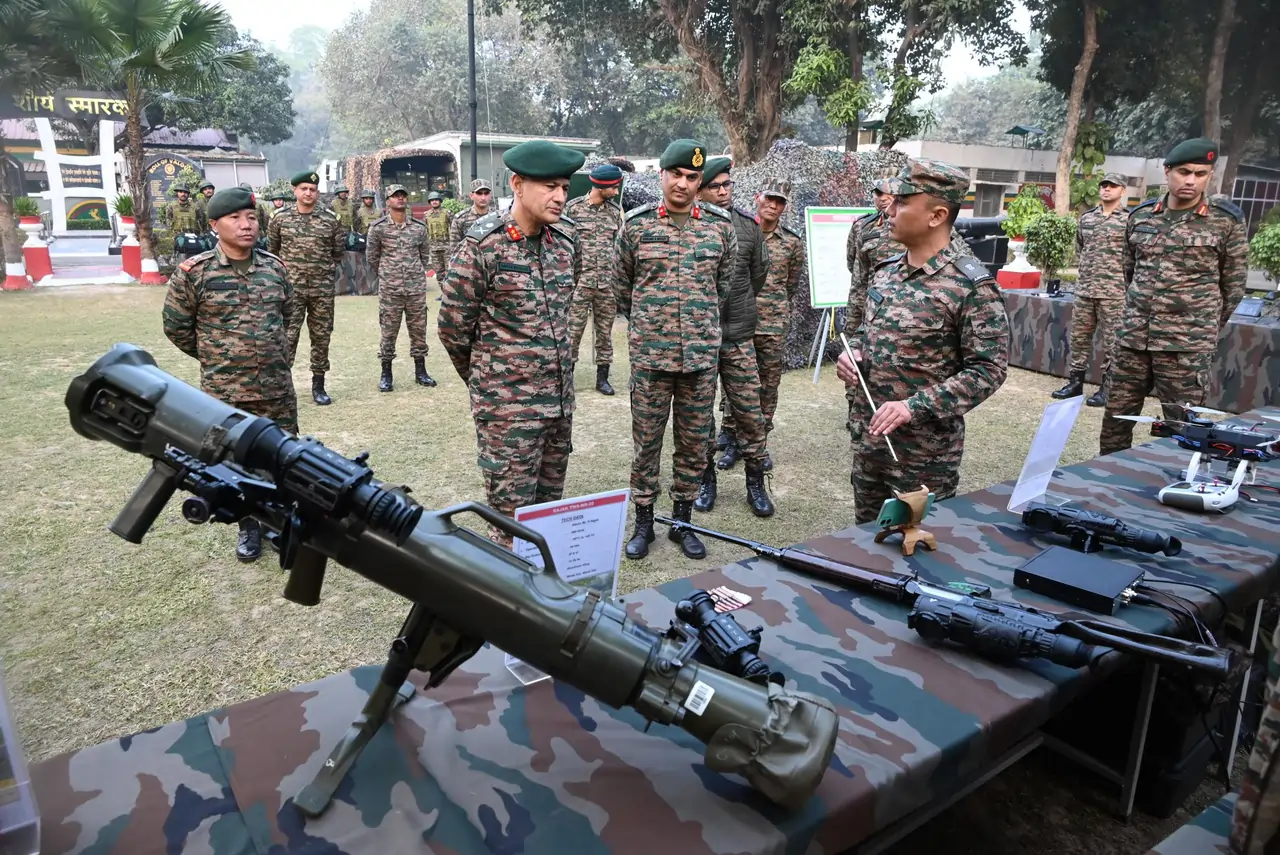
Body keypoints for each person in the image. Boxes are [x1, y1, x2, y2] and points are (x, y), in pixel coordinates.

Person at [836, 158, 1010, 524]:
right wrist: (856, 353)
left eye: (901, 202)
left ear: (936, 215)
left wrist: (914, 406)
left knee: (916, 553)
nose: (889, 211)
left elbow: (988, 369)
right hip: (870, 441)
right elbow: (867, 334)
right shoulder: (885, 274)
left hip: (924, 456)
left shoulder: (970, 286)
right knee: (866, 544)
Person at [438, 140, 583, 546]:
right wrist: (490, 383)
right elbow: (452, 328)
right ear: (517, 185)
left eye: (565, 187)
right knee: (510, 527)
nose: (559, 196)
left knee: (548, 520)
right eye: (549, 186)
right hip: (507, 414)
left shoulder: (567, 244)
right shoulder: (483, 246)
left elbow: (562, 314)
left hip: (558, 406)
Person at [161, 186, 296, 563]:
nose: (246, 225)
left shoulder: (274, 268)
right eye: (235, 218)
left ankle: (279, 524)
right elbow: (176, 327)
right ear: (215, 224)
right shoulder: (194, 273)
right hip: (225, 392)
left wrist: (277, 355)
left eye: (251, 217)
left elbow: (288, 318)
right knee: (233, 464)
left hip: (276, 387)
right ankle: (250, 527)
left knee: (282, 459)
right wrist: (216, 357)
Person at [616, 139, 736, 560]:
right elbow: (622, 289)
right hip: (651, 358)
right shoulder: (635, 225)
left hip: (700, 360)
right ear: (662, 176)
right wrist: (653, 325)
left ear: (699, 181)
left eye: (692, 177)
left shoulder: (720, 227)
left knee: (694, 444)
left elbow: (722, 286)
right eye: (676, 175)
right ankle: (644, 521)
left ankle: (682, 521)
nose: (683, 183)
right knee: (646, 443)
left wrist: (697, 325)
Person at [1100, 138, 1249, 455]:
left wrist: (1201, 327)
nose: (1192, 180)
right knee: (1115, 420)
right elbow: (1130, 272)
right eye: (1184, 172)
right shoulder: (1141, 216)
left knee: (1183, 427)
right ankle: (1105, 481)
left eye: (1201, 173)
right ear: (1167, 172)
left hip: (1185, 346)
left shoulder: (1225, 221)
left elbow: (1233, 286)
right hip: (1132, 340)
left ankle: (1174, 487)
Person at [690, 156, 773, 517]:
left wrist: (735, 305)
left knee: (749, 412)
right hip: (700, 337)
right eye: (715, 186)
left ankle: (755, 483)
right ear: (700, 190)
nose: (723, 192)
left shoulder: (749, 226)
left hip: (738, 334)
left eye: (727, 185)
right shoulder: (690, 226)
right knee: (700, 416)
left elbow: (759, 274)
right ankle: (706, 480)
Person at [1051, 172, 1130, 407]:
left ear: (1123, 191)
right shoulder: (1087, 218)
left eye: (1113, 186)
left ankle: (1107, 388)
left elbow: (1132, 256)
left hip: (1113, 292)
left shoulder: (1129, 220)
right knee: (1079, 339)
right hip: (1085, 289)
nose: (1107, 189)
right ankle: (1075, 383)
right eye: (1104, 185)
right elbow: (1080, 247)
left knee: (1112, 342)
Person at [268, 170, 345, 406]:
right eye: (303, 189)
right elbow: (273, 251)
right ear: (295, 191)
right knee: (287, 337)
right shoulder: (280, 219)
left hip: (322, 291)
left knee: (321, 338)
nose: (308, 193)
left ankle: (318, 385)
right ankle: (283, 386)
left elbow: (337, 253)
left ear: (317, 192)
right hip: (291, 292)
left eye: (312, 189)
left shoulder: (330, 219)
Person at [748, 179, 805, 463]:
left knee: (768, 386)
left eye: (780, 201)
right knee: (738, 384)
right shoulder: (743, 232)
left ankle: (759, 442)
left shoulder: (792, 242)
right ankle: (731, 438)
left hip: (772, 325)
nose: (773, 205)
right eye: (769, 198)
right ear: (757, 197)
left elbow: (791, 285)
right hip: (741, 323)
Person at [367, 184, 436, 392]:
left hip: (415, 289)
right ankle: (386, 373)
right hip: (390, 290)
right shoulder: (378, 228)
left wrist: (414, 274)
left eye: (403, 196)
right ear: (387, 201)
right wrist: (389, 275)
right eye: (395, 196)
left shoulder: (418, 228)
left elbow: (425, 256)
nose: (400, 199)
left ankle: (421, 371)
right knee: (388, 331)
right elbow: (372, 258)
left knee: (418, 331)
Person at [564, 163, 624, 396]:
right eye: (613, 188)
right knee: (573, 331)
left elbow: (619, 247)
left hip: (606, 284)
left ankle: (603, 379)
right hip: (579, 282)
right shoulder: (573, 209)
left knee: (604, 332)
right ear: (602, 186)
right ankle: (567, 378)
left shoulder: (613, 212)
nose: (616, 192)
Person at [448, 179, 494, 257]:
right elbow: (454, 248)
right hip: (470, 264)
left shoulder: (498, 217)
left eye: (486, 193)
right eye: (479, 193)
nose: (483, 197)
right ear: (471, 196)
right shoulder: (460, 219)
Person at [163, 183, 206, 252]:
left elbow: (201, 222)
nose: (183, 194)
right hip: (177, 239)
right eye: (181, 192)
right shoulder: (171, 207)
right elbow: (168, 222)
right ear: (177, 193)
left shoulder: (196, 207)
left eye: (185, 192)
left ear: (188, 194)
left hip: (193, 239)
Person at [424, 191, 452, 276]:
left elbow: (454, 228)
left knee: (450, 270)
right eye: (432, 200)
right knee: (439, 271)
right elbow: (425, 230)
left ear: (440, 201)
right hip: (434, 247)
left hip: (446, 246)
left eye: (436, 199)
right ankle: (442, 288)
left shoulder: (447, 213)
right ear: (430, 202)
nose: (434, 201)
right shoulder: (426, 215)